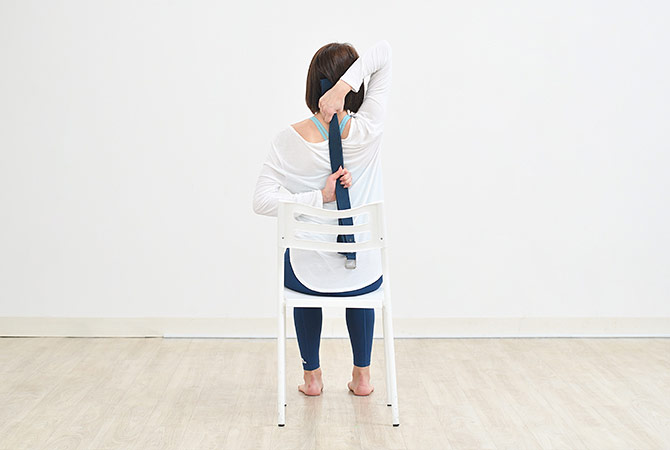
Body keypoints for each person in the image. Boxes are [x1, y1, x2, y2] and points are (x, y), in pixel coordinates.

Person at [252, 40, 392, 397]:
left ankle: (312, 379)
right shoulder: (370, 129)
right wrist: (344, 88)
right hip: (364, 273)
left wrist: (316, 198)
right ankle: (362, 378)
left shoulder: (288, 140)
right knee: (358, 282)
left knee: (302, 261)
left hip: (308, 276)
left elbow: (261, 202)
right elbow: (384, 52)